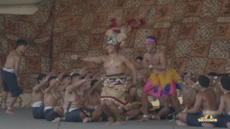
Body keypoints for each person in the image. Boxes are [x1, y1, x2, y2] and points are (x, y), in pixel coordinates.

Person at [70, 28, 137, 125]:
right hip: (108, 83)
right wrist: (79, 57)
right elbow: (91, 58)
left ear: (116, 46)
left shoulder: (122, 58)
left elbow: (134, 69)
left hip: (119, 83)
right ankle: (111, 119)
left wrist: (134, 85)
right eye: (107, 45)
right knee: (103, 103)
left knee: (109, 102)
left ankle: (119, 119)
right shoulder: (104, 58)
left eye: (111, 45)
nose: (108, 46)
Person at [133, 36, 181, 122]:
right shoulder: (146, 55)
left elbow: (164, 66)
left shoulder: (160, 53)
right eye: (146, 44)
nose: (147, 45)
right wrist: (133, 62)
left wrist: (150, 66)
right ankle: (145, 115)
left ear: (154, 44)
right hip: (155, 76)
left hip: (165, 75)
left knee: (173, 96)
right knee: (144, 93)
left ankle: (180, 115)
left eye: (149, 44)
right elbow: (143, 66)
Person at [1, 39, 27, 114]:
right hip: (10, 73)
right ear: (19, 46)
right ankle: (9, 109)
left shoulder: (12, 51)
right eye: (24, 47)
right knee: (16, 91)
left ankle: (4, 105)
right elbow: (16, 69)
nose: (25, 48)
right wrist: (17, 79)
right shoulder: (18, 56)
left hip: (4, 72)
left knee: (5, 90)